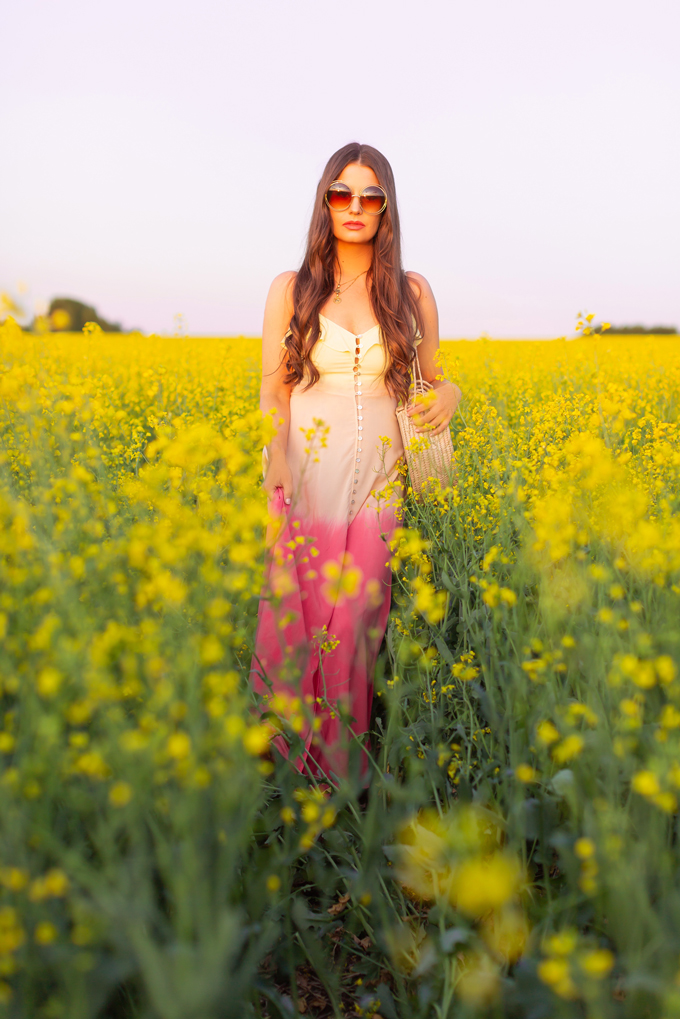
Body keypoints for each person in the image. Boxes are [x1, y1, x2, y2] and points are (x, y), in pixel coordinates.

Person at [250, 142, 462, 781]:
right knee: (299, 614)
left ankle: (337, 781)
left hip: (379, 482)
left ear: (386, 210)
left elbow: (436, 379)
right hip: (306, 474)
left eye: (371, 197)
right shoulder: (292, 289)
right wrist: (275, 461)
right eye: (342, 193)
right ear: (325, 200)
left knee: (357, 623)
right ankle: (283, 773)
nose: (355, 207)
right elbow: (272, 390)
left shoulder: (411, 291)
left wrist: (451, 394)